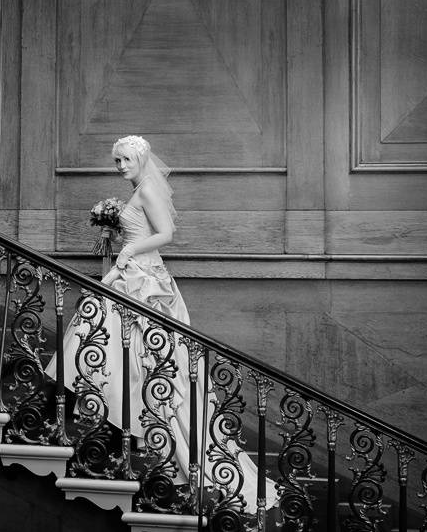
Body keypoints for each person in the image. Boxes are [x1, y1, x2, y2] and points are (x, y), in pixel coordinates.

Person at [47, 135, 277, 513]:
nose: (119, 166)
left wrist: (130, 248)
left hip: (143, 279)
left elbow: (166, 234)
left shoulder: (149, 188)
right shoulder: (140, 188)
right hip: (132, 273)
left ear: (140, 158)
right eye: (116, 161)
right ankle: (112, 417)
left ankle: (121, 423)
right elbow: (142, 228)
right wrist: (116, 232)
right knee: (104, 340)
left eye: (124, 160)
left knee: (130, 345)